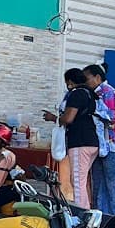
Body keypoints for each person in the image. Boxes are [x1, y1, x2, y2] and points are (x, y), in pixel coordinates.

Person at [45, 69, 98, 207]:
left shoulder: (76, 94)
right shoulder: (90, 94)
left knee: (77, 182)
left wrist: (53, 118)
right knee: (82, 180)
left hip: (80, 142)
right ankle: (86, 210)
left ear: (69, 82)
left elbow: (68, 119)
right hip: (92, 141)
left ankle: (81, 215)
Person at [84, 63, 115, 215]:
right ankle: (103, 216)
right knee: (99, 181)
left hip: (112, 144)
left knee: (114, 181)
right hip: (101, 143)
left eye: (87, 79)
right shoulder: (97, 93)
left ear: (97, 77)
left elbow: (112, 117)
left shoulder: (107, 92)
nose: (85, 83)